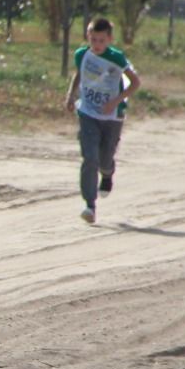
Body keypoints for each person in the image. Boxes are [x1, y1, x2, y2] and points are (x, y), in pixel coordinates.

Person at [64, 16, 140, 224]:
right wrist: (70, 95)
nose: (96, 45)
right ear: (88, 37)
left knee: (105, 158)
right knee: (90, 157)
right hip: (88, 112)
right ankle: (90, 204)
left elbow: (135, 83)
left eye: (101, 40)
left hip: (112, 116)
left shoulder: (117, 58)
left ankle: (107, 173)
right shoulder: (82, 55)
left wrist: (115, 101)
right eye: (93, 39)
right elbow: (78, 75)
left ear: (109, 39)